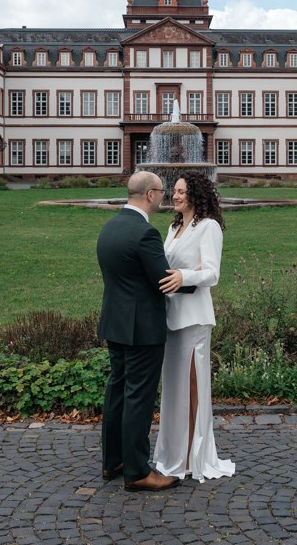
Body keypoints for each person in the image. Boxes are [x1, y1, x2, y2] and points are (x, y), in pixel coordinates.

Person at [96, 170, 183, 492]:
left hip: (115, 322)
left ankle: (112, 461)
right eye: (162, 191)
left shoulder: (111, 227)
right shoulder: (144, 233)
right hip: (142, 327)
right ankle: (136, 471)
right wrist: (192, 279)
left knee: (117, 390)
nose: (165, 196)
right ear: (149, 194)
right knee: (139, 397)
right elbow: (163, 279)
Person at [153, 171, 236, 482]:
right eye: (174, 191)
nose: (175, 196)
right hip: (171, 315)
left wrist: (185, 276)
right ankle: (171, 456)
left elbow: (212, 273)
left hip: (194, 319)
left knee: (192, 390)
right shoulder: (173, 227)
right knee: (173, 390)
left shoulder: (209, 227)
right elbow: (165, 265)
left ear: (197, 194)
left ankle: (192, 458)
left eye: (182, 192)